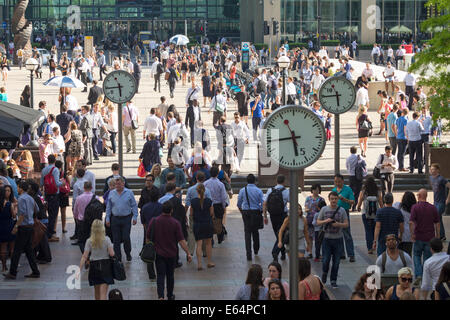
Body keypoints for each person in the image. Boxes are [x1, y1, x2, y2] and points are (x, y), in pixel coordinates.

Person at [148, 201, 192, 300]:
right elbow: (181, 240)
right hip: (171, 254)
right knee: (170, 276)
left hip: (158, 253)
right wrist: (188, 253)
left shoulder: (154, 221)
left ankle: (160, 296)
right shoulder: (175, 223)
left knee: (160, 275)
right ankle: (170, 295)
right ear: (171, 211)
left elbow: (148, 237)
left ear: (162, 210)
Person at [3, 181, 40, 279]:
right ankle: (35, 271)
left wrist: (16, 226)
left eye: (18, 187)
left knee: (17, 251)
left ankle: (13, 272)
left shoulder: (22, 198)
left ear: (21, 188)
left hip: (23, 227)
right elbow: (37, 209)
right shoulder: (30, 198)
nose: (17, 189)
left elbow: (22, 214)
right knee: (29, 250)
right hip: (30, 226)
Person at [316, 191, 349, 288]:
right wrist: (326, 221)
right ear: (329, 199)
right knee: (326, 260)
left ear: (338, 199)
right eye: (332, 199)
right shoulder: (324, 209)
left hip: (338, 239)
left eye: (335, 199)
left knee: (336, 261)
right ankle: (325, 272)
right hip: (326, 239)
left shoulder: (342, 210)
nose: (334, 200)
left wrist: (338, 224)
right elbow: (318, 222)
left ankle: (333, 279)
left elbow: (346, 224)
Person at [77, 220, 115, 300]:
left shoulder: (89, 241)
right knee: (103, 294)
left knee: (97, 293)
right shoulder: (107, 239)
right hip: (105, 267)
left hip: (94, 267)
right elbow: (112, 254)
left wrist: (79, 269)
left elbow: (84, 256)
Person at [410, 189, 440, 282]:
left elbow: (411, 222)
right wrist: (437, 235)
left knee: (416, 256)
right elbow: (437, 223)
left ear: (419, 196)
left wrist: (412, 234)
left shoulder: (415, 207)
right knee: (427, 258)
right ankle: (424, 276)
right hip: (430, 238)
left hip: (418, 236)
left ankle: (419, 274)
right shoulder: (433, 207)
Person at [105, 177, 138, 262]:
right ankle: (118, 257)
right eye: (116, 184)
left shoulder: (129, 192)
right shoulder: (112, 193)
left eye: (119, 184)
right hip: (115, 219)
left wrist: (135, 217)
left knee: (126, 237)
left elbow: (134, 205)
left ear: (123, 183)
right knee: (116, 239)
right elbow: (109, 207)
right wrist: (107, 218)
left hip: (126, 218)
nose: (117, 186)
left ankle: (128, 253)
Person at [237, 174, 265, 261]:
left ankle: (248, 254)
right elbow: (263, 202)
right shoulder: (258, 191)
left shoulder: (242, 190)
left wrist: (242, 211)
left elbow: (239, 203)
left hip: (246, 213)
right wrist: (262, 211)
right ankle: (256, 249)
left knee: (247, 232)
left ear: (247, 181)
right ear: (255, 181)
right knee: (255, 231)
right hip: (256, 212)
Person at [263, 175, 290, 262]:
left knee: (277, 233)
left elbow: (264, 203)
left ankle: (281, 253)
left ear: (276, 181)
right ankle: (276, 252)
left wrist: (265, 216)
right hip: (283, 215)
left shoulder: (270, 190)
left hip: (273, 215)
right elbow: (293, 203)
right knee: (281, 234)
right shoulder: (286, 192)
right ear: (284, 181)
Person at [190, 183, 215, 270]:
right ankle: (209, 262)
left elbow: (191, 214)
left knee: (199, 244)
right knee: (208, 243)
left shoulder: (193, 202)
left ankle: (199, 264)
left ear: (197, 191)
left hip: (197, 224)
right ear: (204, 191)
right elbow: (211, 213)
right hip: (207, 224)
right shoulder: (209, 201)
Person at [332, 174, 355, 262]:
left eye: (339, 181)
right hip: (336, 212)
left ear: (342, 181)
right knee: (338, 233)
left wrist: (344, 199)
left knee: (347, 233)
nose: (337, 183)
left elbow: (353, 201)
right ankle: (341, 253)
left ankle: (351, 254)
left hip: (344, 212)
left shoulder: (348, 189)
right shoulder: (334, 190)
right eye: (336, 181)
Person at [356, 177, 383, 254]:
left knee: (368, 231)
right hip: (376, 214)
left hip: (365, 214)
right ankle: (374, 244)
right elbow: (380, 202)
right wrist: (383, 209)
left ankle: (369, 248)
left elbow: (360, 200)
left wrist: (358, 207)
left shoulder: (364, 191)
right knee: (375, 230)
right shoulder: (377, 191)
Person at [40, 155, 62, 242]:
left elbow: (41, 183)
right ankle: (50, 234)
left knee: (48, 213)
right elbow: (57, 183)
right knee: (53, 214)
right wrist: (63, 183)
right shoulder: (55, 169)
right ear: (55, 160)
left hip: (47, 194)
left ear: (48, 160)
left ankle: (48, 233)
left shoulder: (44, 170)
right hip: (54, 194)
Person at [204, 166, 229, 244]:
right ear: (218, 173)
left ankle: (210, 239)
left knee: (209, 221)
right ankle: (220, 237)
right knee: (219, 221)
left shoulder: (205, 183)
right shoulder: (220, 184)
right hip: (218, 205)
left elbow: (203, 195)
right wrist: (224, 206)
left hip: (208, 205)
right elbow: (223, 197)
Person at [429, 163, 449, 241]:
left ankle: (440, 235)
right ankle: (441, 235)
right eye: (431, 169)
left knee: (437, 217)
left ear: (437, 170)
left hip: (441, 202)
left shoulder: (442, 179)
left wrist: (448, 199)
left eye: (433, 169)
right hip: (435, 201)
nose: (431, 170)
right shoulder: (431, 178)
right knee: (438, 219)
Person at [304, 184, 325, 260]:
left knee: (318, 238)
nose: (316, 191)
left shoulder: (321, 199)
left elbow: (323, 209)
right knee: (309, 237)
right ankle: (310, 252)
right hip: (309, 219)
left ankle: (318, 253)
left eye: (317, 189)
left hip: (317, 221)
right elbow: (306, 207)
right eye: (314, 189)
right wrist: (307, 210)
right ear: (312, 190)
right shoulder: (308, 198)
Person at [0, 186, 17, 272]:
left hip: (1, 226)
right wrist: (15, 208)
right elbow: (14, 215)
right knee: (12, 248)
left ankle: (3, 267)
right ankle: (12, 267)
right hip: (9, 226)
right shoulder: (9, 204)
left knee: (3, 247)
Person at [346, 146, 367, 211]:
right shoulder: (359, 157)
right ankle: (354, 206)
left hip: (351, 176)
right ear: (356, 151)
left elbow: (347, 166)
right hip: (358, 176)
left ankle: (349, 204)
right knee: (357, 192)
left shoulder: (348, 158)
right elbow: (364, 164)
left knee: (351, 191)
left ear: (350, 151)